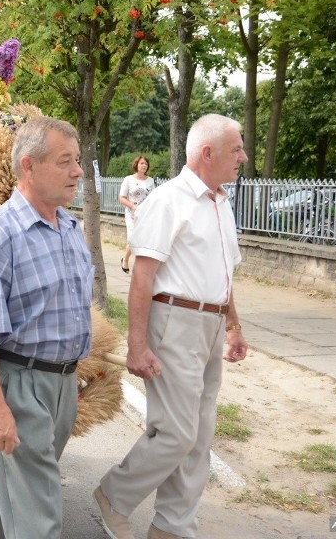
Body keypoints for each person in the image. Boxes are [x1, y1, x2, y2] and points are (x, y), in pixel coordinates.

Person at [93, 114, 249, 539]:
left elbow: (225, 272)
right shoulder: (169, 201)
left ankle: (173, 527)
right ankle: (113, 495)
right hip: (174, 321)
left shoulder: (221, 202)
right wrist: (136, 345)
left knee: (199, 435)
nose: (243, 157)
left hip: (211, 323)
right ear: (207, 152)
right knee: (177, 433)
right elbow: (142, 279)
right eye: (236, 149)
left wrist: (233, 325)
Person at [0, 116, 94, 538]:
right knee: (39, 513)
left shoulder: (68, 227)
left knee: (11, 493)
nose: (78, 171)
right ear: (29, 167)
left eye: (78, 160)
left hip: (61, 385)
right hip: (16, 384)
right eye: (66, 161)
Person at [118, 155, 155, 273]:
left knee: (143, 240)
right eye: (142, 163)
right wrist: (133, 206)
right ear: (136, 165)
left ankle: (141, 266)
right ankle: (125, 259)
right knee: (132, 238)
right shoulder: (128, 180)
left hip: (145, 214)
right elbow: (121, 198)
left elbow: (153, 198)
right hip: (131, 213)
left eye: (146, 164)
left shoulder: (150, 181)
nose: (144, 165)